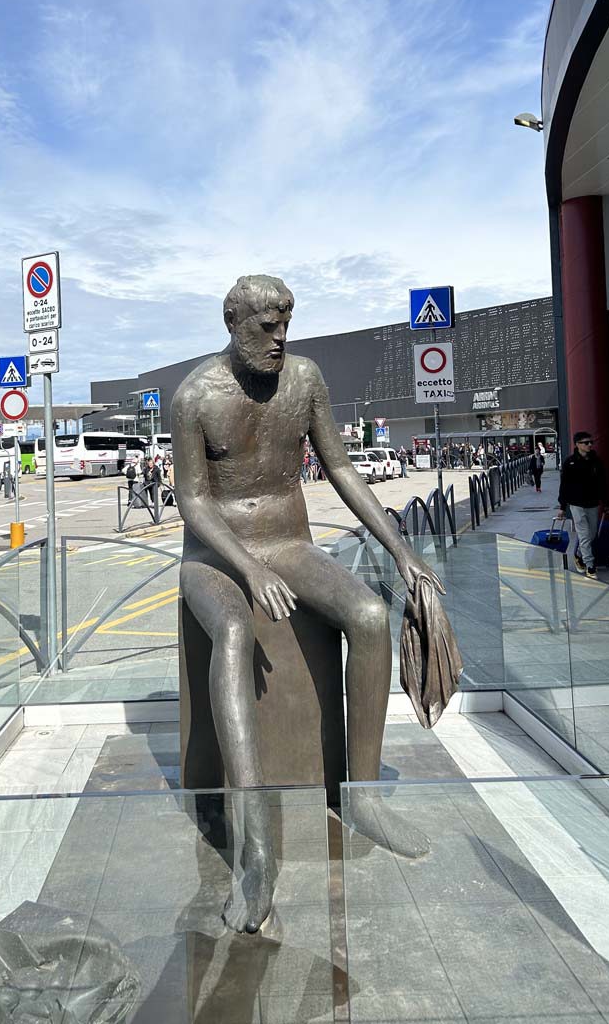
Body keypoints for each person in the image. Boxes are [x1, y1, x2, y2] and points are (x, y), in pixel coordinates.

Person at [173, 274, 457, 933]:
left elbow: (342, 467)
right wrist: (244, 565)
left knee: (369, 616)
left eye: (285, 324)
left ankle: (358, 796)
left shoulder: (304, 379)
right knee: (236, 634)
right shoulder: (194, 396)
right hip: (213, 557)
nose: (279, 339)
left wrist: (400, 551)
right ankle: (255, 851)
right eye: (265, 327)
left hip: (288, 541)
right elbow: (192, 500)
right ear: (231, 321)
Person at [556, 431, 608, 579]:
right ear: (578, 444)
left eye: (591, 442)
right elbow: (564, 485)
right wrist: (562, 507)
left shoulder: (596, 461)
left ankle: (578, 555)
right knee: (584, 535)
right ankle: (590, 566)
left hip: (592, 503)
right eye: (586, 442)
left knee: (592, 534)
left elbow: (602, 483)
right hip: (576, 504)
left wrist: (606, 502)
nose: (590, 445)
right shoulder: (570, 462)